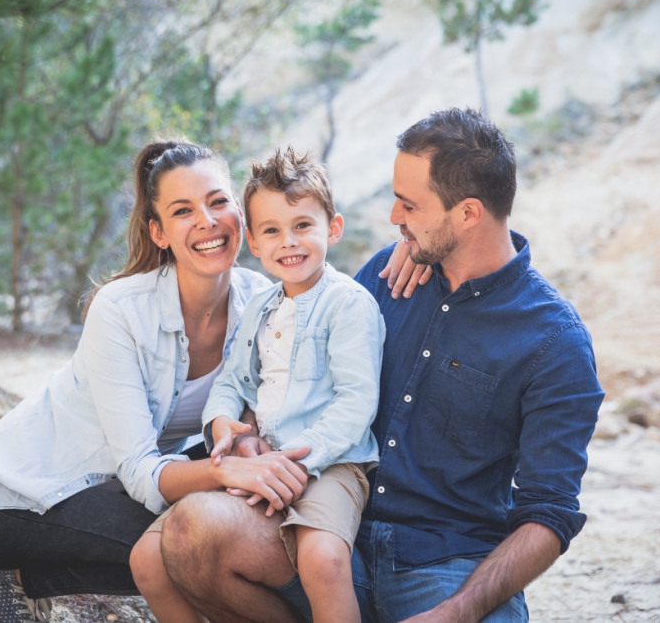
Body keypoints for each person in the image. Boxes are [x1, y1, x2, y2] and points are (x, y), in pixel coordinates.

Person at [0, 138, 426, 623]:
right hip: (13, 497)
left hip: (126, 481)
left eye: (218, 202)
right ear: (158, 232)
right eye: (182, 211)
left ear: (241, 216)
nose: (207, 221)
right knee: (193, 543)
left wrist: (413, 248)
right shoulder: (120, 310)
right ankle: (15, 578)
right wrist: (224, 468)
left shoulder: (262, 298)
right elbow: (139, 468)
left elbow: (319, 318)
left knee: (216, 538)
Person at [159, 108, 605, 623]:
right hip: (327, 529)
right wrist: (250, 431)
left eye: (409, 205)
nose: (395, 217)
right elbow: (299, 374)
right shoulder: (382, 278)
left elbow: (549, 514)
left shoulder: (554, 341)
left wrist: (455, 613)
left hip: (447, 564)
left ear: (467, 214)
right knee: (192, 537)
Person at [131, 147, 385, 623]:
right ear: (253, 240)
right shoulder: (261, 306)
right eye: (272, 231)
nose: (288, 243)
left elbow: (357, 402)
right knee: (147, 561)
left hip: (332, 462)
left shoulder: (348, 304)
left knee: (322, 559)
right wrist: (224, 426)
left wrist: (300, 457)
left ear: (333, 228)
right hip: (264, 459)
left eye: (303, 226)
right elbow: (233, 381)